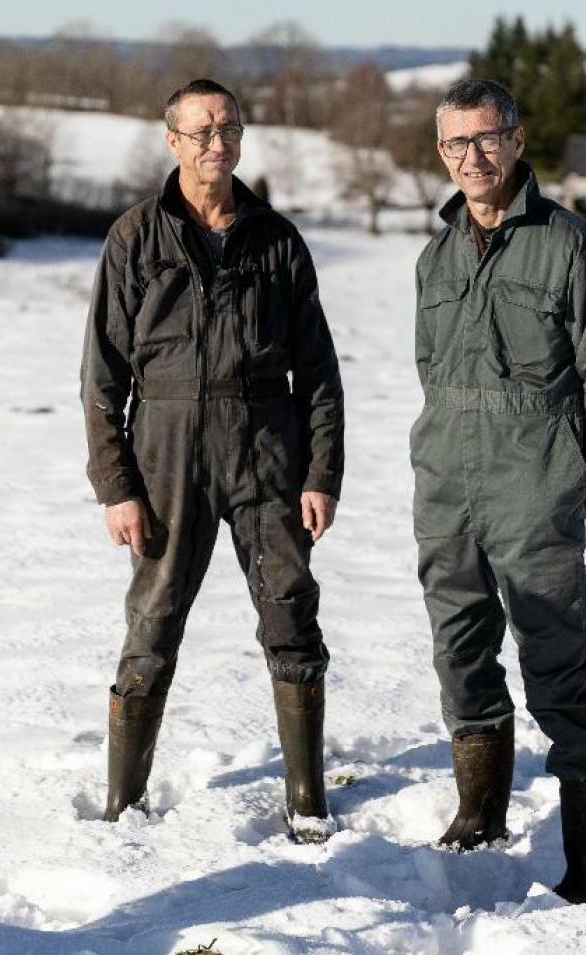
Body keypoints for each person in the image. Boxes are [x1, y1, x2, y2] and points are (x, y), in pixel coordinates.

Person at [81, 78, 344, 840]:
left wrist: (321, 471)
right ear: (172, 141)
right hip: (166, 449)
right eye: (199, 131)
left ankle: (306, 801)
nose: (215, 143)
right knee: (154, 619)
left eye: (227, 127)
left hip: (266, 446)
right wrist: (116, 484)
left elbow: (319, 373)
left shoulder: (277, 240)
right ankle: (123, 803)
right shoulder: (136, 237)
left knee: (290, 610)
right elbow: (101, 376)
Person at [410, 79, 586, 908]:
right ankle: (479, 810)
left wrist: (575, 481)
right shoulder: (434, 255)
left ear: (514, 138)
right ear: (440, 152)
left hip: (534, 485)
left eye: (485, 138)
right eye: (453, 144)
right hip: (445, 485)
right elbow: (433, 374)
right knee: (460, 652)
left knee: (557, 670)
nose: (470, 157)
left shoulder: (570, 246)